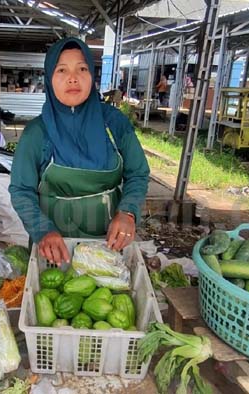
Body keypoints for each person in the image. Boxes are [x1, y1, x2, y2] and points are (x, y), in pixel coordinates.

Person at [9, 37, 150, 264]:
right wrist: (42, 230)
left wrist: (128, 212)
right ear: (49, 79)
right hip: (54, 248)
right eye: (62, 70)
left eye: (82, 68)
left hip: (108, 244)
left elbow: (138, 172)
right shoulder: (37, 133)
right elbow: (21, 190)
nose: (73, 78)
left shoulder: (114, 123)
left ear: (92, 75)